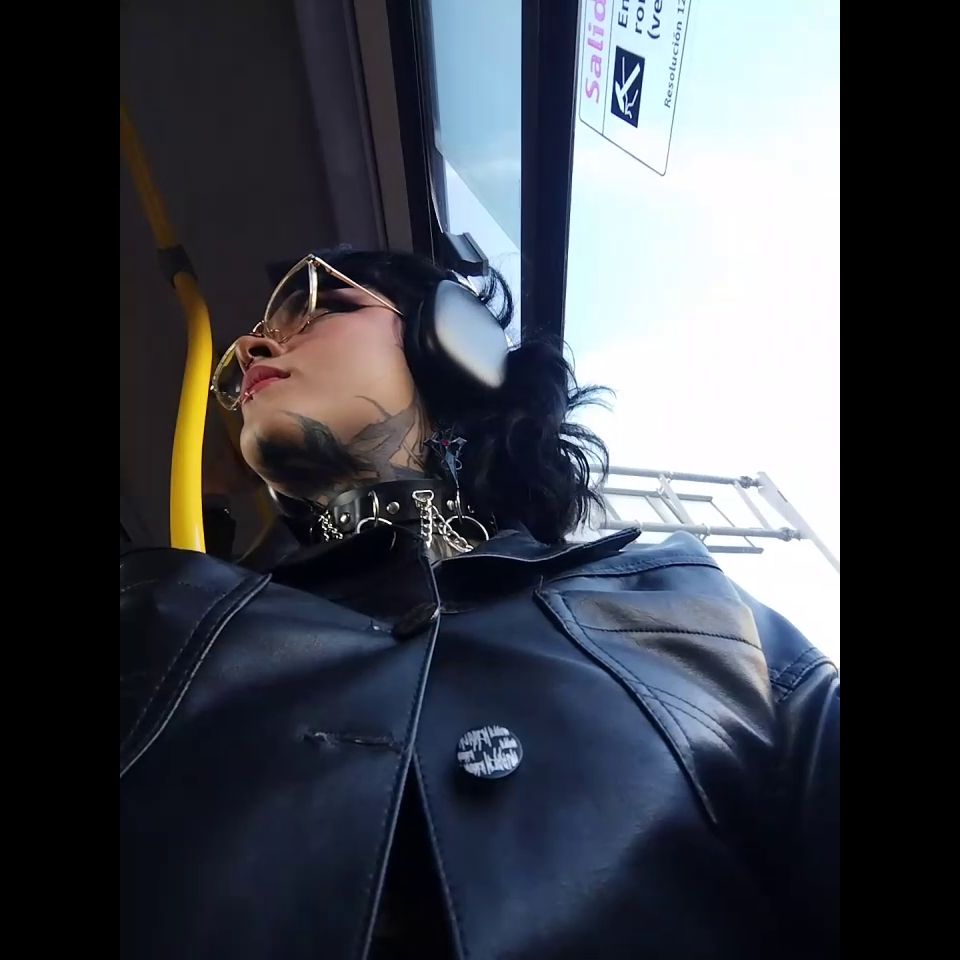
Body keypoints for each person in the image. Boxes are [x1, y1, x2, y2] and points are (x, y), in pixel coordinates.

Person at [120, 249, 839, 960]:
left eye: (324, 306)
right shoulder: (162, 624)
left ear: (456, 338)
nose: (251, 349)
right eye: (248, 344)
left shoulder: (695, 612)